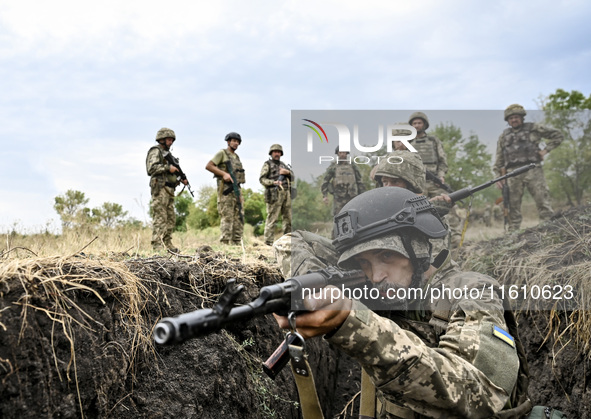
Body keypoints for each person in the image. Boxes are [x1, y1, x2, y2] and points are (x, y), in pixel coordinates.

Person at [274, 187, 531, 418]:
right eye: (364, 262)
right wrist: (325, 289)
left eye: (386, 255)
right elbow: (290, 242)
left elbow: (478, 394)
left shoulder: (474, 291)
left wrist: (356, 323)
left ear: (418, 249)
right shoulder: (387, 286)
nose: (376, 277)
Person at [493, 104, 564, 232]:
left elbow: (557, 135)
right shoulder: (504, 136)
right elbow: (499, 159)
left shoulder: (533, 128)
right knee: (512, 206)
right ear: (507, 121)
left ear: (522, 117)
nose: (514, 120)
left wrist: (545, 150)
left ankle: (548, 230)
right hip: (512, 174)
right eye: (511, 118)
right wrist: (498, 177)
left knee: (543, 200)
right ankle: (512, 235)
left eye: (516, 117)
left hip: (533, 170)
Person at [146, 127, 188, 252]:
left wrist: (180, 178)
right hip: (160, 188)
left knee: (170, 217)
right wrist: (167, 168)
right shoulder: (155, 151)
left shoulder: (169, 156)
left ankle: (167, 243)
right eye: (169, 140)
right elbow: (151, 169)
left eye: (172, 140)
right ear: (161, 139)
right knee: (160, 217)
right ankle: (157, 244)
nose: (171, 142)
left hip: (169, 189)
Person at [205, 132, 246, 245]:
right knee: (227, 216)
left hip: (237, 190)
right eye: (233, 141)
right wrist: (223, 174)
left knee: (239, 216)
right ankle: (225, 243)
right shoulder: (222, 153)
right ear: (228, 141)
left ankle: (237, 243)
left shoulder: (236, 157)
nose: (236, 143)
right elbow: (209, 165)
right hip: (226, 190)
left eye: (237, 141)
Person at [259, 144, 294, 246]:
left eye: (279, 152)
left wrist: (287, 172)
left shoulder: (284, 165)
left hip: (287, 193)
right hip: (274, 194)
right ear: (271, 153)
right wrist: (273, 182)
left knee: (288, 219)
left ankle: (287, 242)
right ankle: (268, 243)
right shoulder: (267, 164)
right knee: (272, 219)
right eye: (275, 152)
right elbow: (262, 179)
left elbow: (293, 177)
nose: (277, 153)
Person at [321, 146, 366, 216]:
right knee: (338, 217)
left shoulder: (352, 165)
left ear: (346, 153)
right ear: (337, 153)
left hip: (352, 196)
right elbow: (325, 181)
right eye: (340, 152)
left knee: (354, 215)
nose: (342, 154)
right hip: (339, 198)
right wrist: (325, 196)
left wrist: (363, 196)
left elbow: (359, 181)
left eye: (344, 152)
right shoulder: (334, 166)